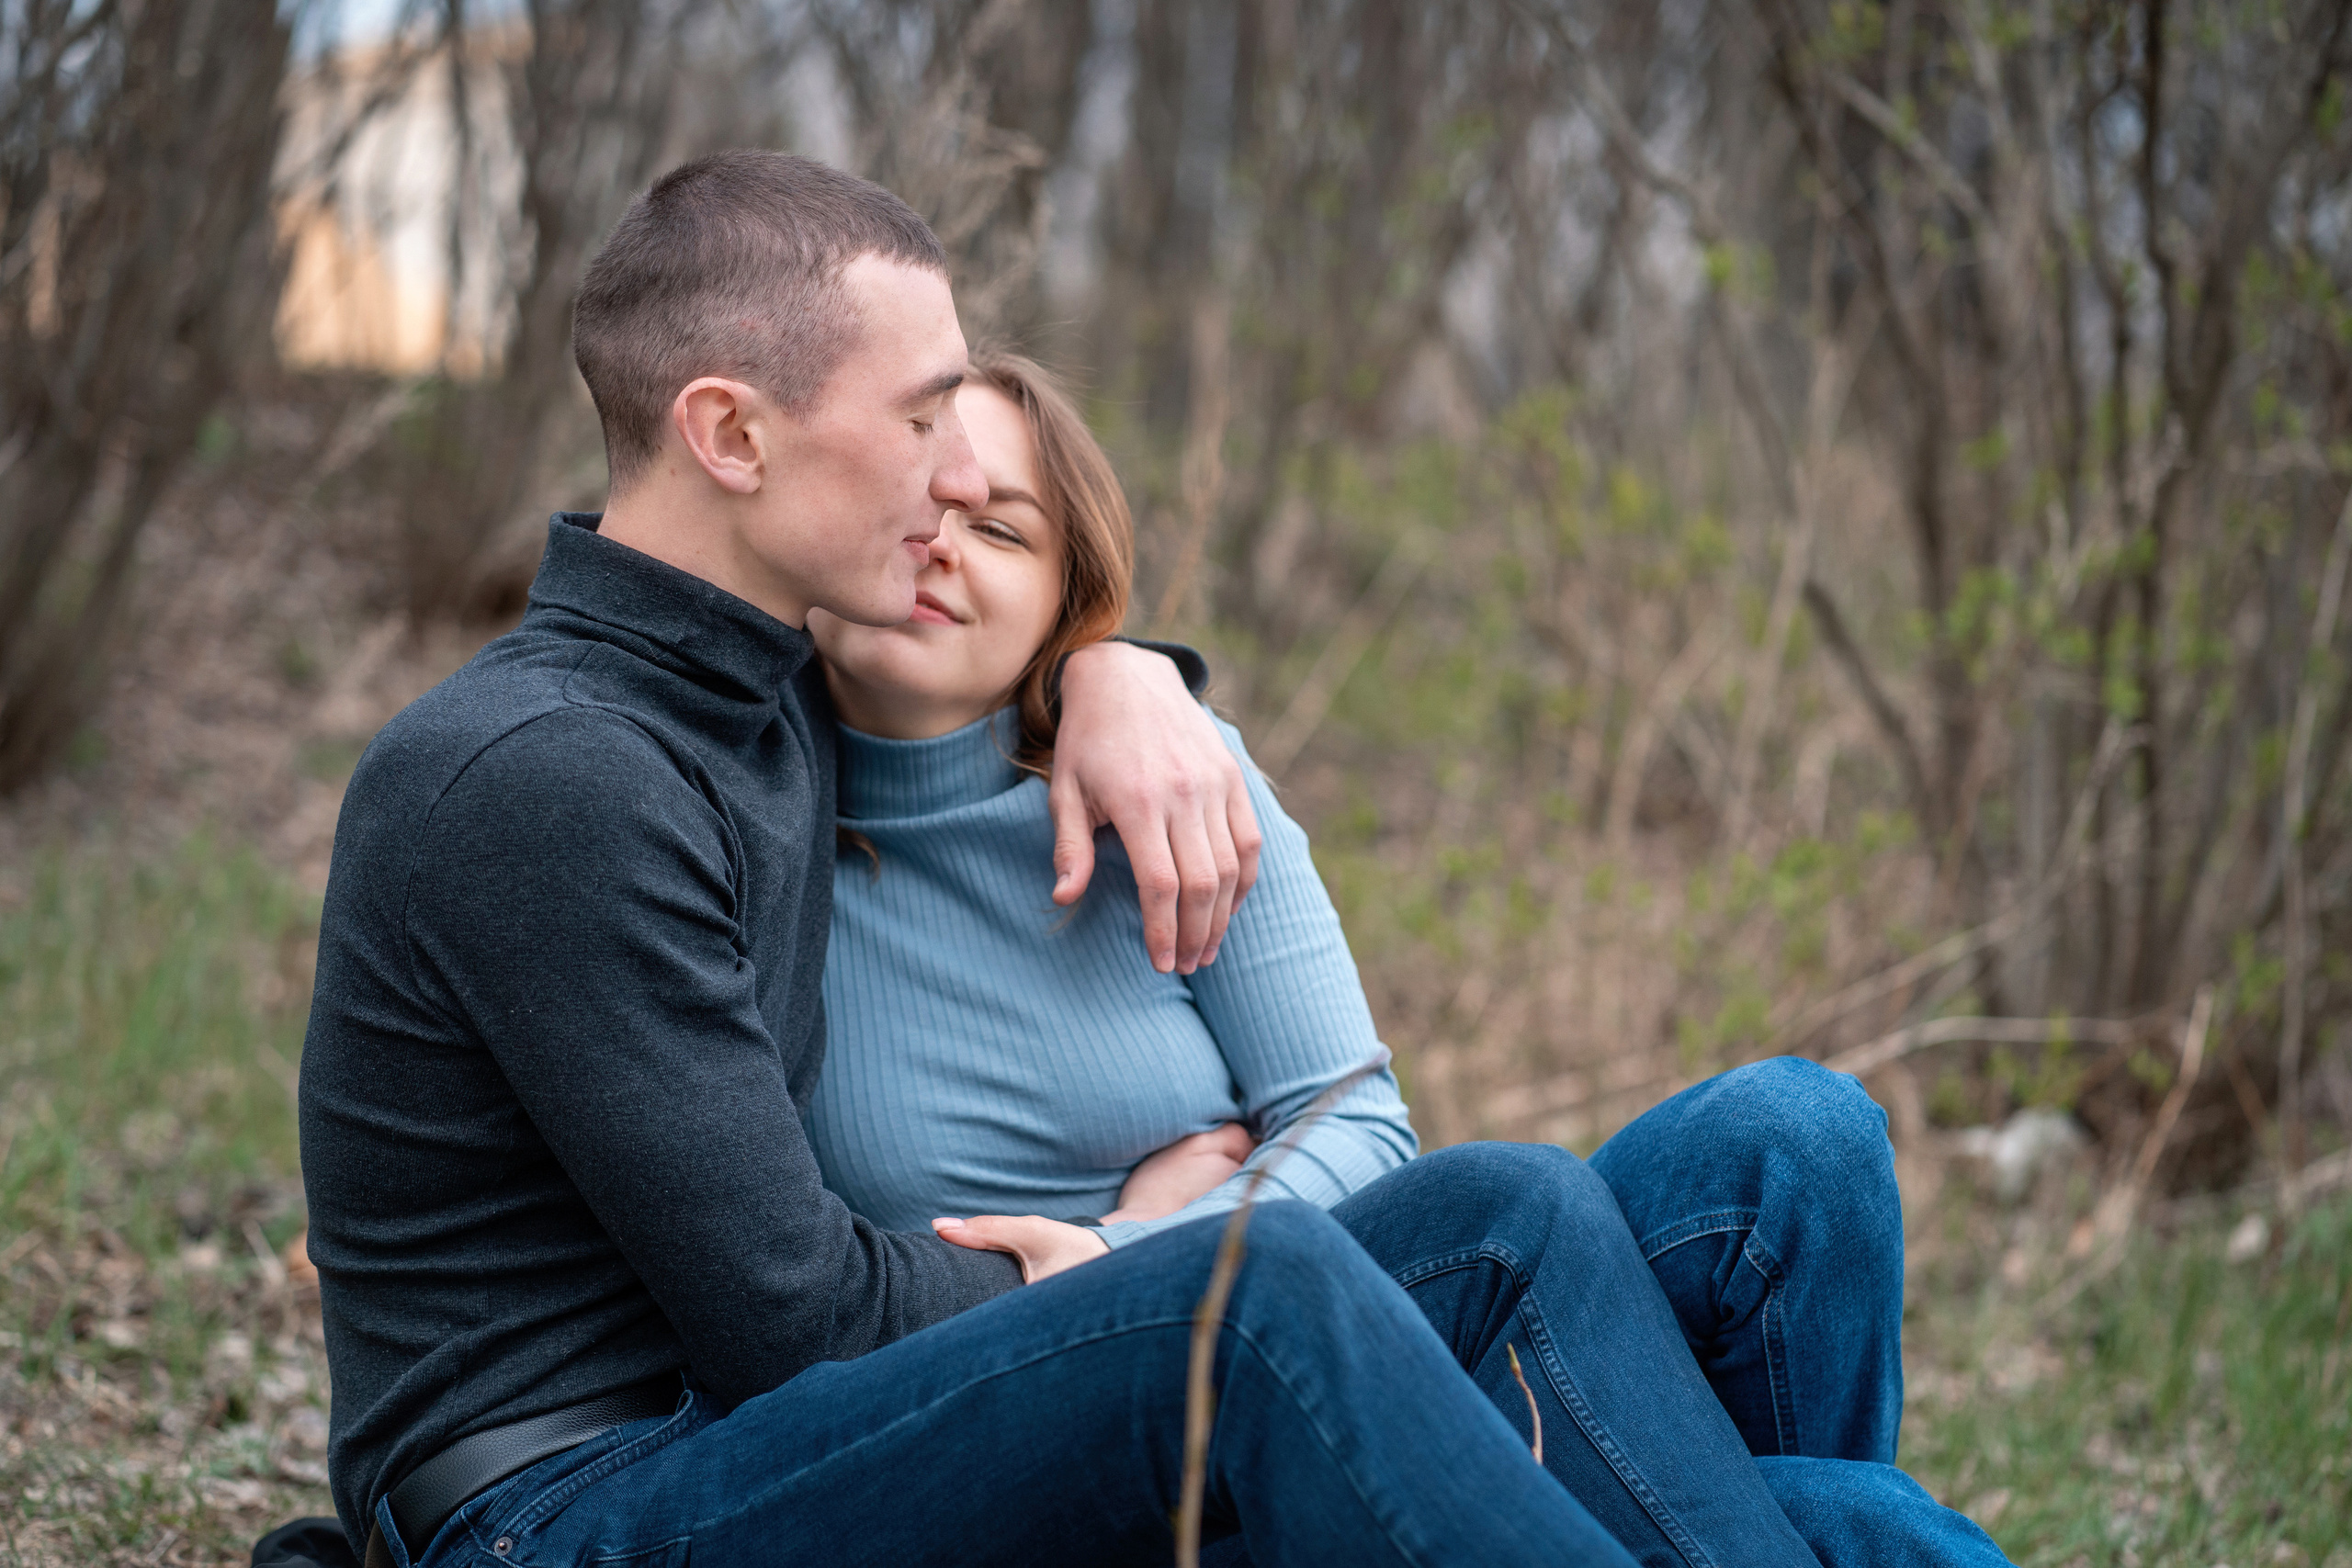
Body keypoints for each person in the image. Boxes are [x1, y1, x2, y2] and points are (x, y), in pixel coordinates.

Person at [288, 149, 1967, 1568]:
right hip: (578, 1508)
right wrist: (1117, 1261)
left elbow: (983, 646)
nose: (957, 479)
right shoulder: (550, 777)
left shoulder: (748, 687)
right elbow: (793, 1317)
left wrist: (1121, 670)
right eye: (927, 413)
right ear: (732, 436)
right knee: (1262, 1301)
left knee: (1531, 1213)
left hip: (755, 1435)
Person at [800, 349, 2012, 1568]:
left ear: (1063, 608)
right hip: (1085, 1457)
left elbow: (1359, 1129)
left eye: (1002, 531)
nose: (944, 542)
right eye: (919, 499)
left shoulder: (1173, 783)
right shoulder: (729, 818)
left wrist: (1133, 1247)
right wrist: (1109, 1278)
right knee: (1864, 1530)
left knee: (1801, 1139)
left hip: (1333, 1338)